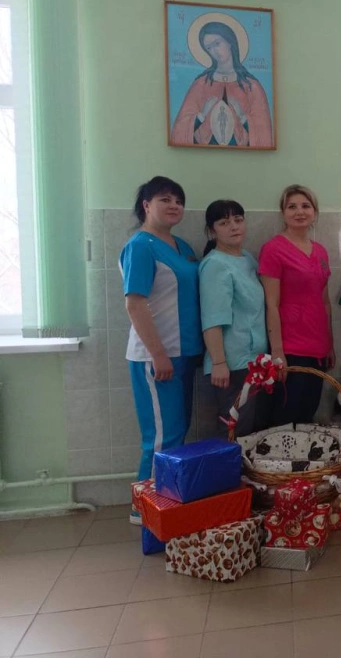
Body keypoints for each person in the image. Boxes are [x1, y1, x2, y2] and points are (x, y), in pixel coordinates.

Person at [119, 177, 202, 523]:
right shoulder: (141, 246)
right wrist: (158, 354)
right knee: (160, 437)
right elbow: (135, 303)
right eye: (165, 199)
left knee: (177, 432)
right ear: (146, 205)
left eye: (178, 201)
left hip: (185, 353)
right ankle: (144, 510)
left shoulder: (182, 246)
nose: (174, 206)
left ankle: (167, 505)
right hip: (156, 357)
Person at [258, 185, 334, 425]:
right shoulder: (273, 249)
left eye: (305, 206)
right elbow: (271, 304)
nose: (299, 212)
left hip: (318, 348)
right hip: (291, 349)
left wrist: (330, 344)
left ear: (314, 212)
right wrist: (277, 352)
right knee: (285, 418)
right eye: (292, 207)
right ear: (283, 213)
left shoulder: (320, 252)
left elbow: (324, 301)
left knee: (307, 416)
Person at [199, 199, 270, 437]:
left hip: (254, 361)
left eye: (238, 220)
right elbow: (212, 318)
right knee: (234, 429)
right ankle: (227, 465)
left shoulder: (247, 258)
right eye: (224, 222)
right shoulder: (215, 265)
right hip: (231, 364)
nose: (233, 227)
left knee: (250, 431)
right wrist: (219, 362)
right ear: (212, 230)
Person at [170, 21, 274, 148]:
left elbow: (263, 132)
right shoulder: (201, 84)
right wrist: (202, 115)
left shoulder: (251, 86)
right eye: (209, 48)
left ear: (230, 42)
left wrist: (242, 116)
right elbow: (180, 129)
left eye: (217, 44)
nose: (214, 51)